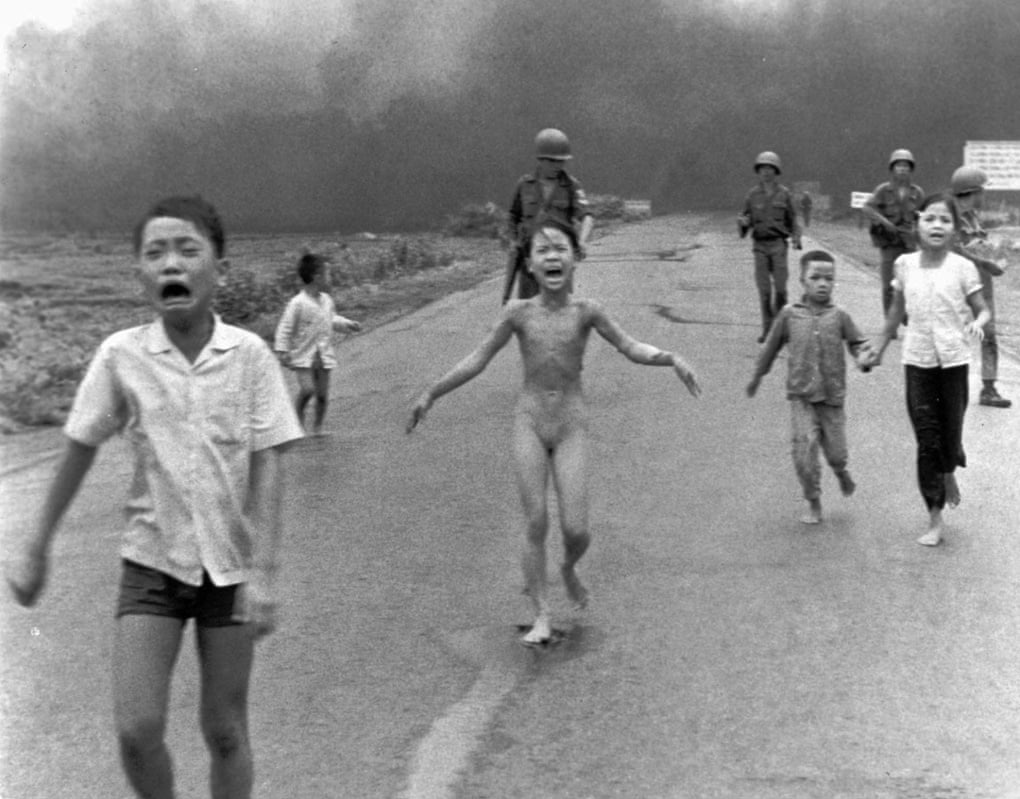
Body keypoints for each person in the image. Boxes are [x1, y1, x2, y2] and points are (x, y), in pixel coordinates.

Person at [5, 195, 304, 798]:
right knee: (136, 730)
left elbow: (268, 463)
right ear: (141, 272)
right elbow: (79, 446)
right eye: (155, 252)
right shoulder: (122, 356)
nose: (172, 262)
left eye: (188, 249)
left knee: (224, 730)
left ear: (219, 266)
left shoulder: (249, 357)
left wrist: (265, 574)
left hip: (230, 570)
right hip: (151, 565)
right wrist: (36, 545)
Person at [408, 218, 701, 645]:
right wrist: (431, 393)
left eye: (560, 248)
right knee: (536, 520)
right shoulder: (517, 314)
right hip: (529, 422)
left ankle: (567, 568)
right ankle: (541, 613)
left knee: (577, 530)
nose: (552, 256)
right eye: (542, 250)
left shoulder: (587, 311)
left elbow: (630, 346)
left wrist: (670, 358)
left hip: (570, 425)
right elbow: (478, 359)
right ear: (529, 263)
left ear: (575, 258)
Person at [866, 193, 990, 547]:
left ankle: (949, 468)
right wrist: (878, 346)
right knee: (926, 437)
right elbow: (894, 314)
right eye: (930, 219)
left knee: (950, 434)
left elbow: (982, 309)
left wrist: (978, 323)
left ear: (954, 229)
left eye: (945, 220)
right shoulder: (904, 265)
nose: (937, 226)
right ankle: (934, 515)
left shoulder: (963, 268)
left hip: (953, 361)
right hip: (918, 361)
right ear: (918, 224)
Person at [746, 250, 871, 524]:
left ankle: (840, 472)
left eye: (829, 278)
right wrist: (757, 376)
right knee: (804, 453)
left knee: (837, 452)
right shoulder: (789, 315)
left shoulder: (840, 316)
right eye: (815, 277)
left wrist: (863, 357)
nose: (823, 283)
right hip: (801, 397)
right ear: (802, 280)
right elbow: (770, 348)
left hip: (832, 398)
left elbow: (858, 343)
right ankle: (813, 501)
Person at [502, 128, 594, 303]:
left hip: (559, 262)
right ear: (540, 159)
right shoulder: (524, 185)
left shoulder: (572, 186)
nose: (558, 166)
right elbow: (512, 216)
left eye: (561, 161)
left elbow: (587, 216)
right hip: (531, 260)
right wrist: (513, 242)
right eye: (552, 161)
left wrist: (582, 241)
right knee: (528, 311)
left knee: (559, 309)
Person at [274, 252, 362, 434]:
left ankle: (318, 427)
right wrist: (282, 350)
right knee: (307, 390)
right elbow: (285, 327)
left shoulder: (327, 301)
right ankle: (297, 422)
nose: (330, 278)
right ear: (317, 277)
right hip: (303, 357)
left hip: (323, 356)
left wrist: (347, 324)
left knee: (322, 396)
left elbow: (331, 319)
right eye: (327, 274)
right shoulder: (297, 303)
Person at [950, 165, 1011, 408]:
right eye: (981, 191)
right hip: (961, 284)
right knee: (955, 336)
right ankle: (951, 388)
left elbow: (979, 244)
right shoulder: (951, 216)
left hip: (982, 283)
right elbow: (955, 249)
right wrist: (985, 261)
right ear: (971, 191)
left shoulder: (973, 215)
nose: (983, 195)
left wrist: (998, 254)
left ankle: (988, 387)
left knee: (990, 335)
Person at [737, 150, 802, 343]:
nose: (766, 172)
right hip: (760, 246)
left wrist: (797, 237)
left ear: (776, 171)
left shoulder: (784, 194)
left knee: (781, 289)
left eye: (770, 168)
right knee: (764, 290)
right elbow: (745, 222)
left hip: (778, 245)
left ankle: (781, 328)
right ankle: (768, 329)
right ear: (758, 171)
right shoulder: (752, 195)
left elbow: (793, 219)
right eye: (762, 168)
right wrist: (742, 223)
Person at [861, 148, 924, 323]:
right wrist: (884, 222)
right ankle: (890, 322)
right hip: (889, 243)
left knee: (909, 284)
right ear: (892, 169)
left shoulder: (917, 193)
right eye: (899, 166)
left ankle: (904, 315)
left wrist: (919, 232)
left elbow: (924, 215)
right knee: (888, 284)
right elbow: (867, 208)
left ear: (911, 170)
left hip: (909, 244)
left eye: (906, 167)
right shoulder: (883, 190)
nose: (902, 170)